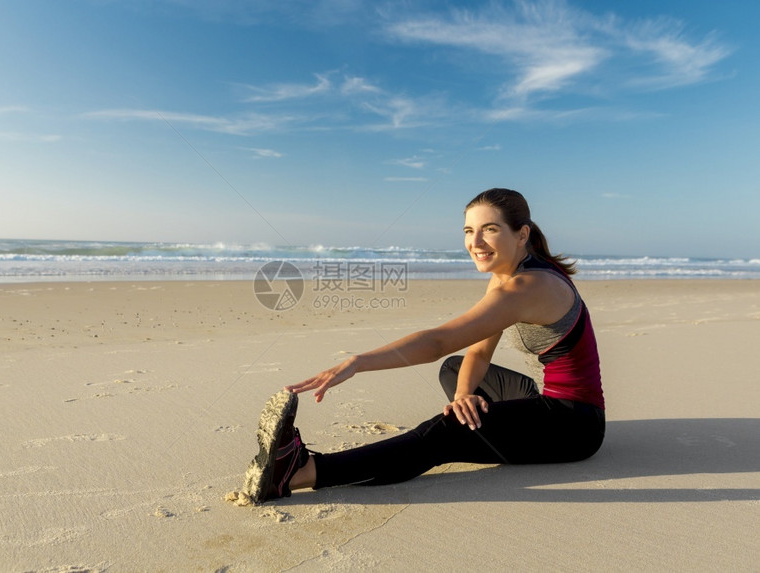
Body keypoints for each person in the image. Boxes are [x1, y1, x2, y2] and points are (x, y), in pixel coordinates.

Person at [244, 188, 605, 503]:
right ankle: (495, 425)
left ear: (522, 233)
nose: (475, 243)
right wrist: (464, 394)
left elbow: (437, 342)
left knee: (444, 432)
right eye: (469, 231)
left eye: (489, 230)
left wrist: (357, 362)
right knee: (455, 371)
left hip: (574, 425)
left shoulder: (527, 287)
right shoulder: (508, 275)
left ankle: (301, 472)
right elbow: (478, 351)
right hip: (547, 398)